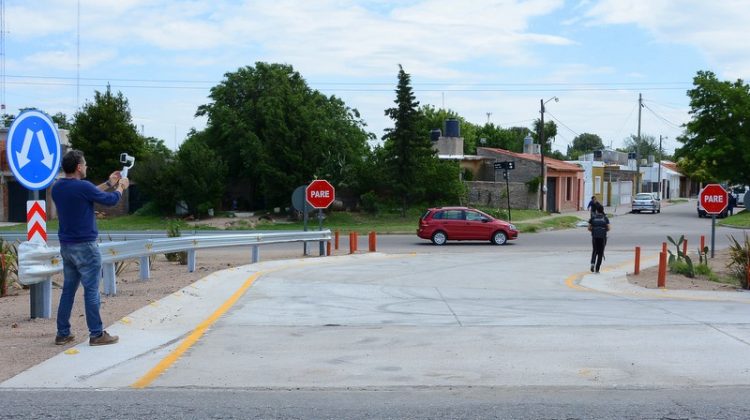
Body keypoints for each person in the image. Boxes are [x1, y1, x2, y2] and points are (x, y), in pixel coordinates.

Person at [52, 150, 130, 346]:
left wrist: (109, 183)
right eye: (84, 164)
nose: (86, 167)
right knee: (92, 291)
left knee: (68, 290)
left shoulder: (58, 187)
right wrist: (120, 187)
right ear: (79, 167)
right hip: (86, 246)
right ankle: (96, 334)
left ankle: (63, 333)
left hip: (67, 247)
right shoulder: (82, 187)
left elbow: (86, 193)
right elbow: (111, 201)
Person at [587, 203, 610, 273]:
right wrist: (604, 230)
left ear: (596, 211)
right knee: (600, 252)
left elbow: (589, 228)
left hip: (595, 236)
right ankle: (597, 269)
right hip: (602, 237)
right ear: (602, 210)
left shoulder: (593, 217)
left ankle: (592, 263)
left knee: (595, 250)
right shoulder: (605, 218)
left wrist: (593, 230)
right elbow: (608, 228)